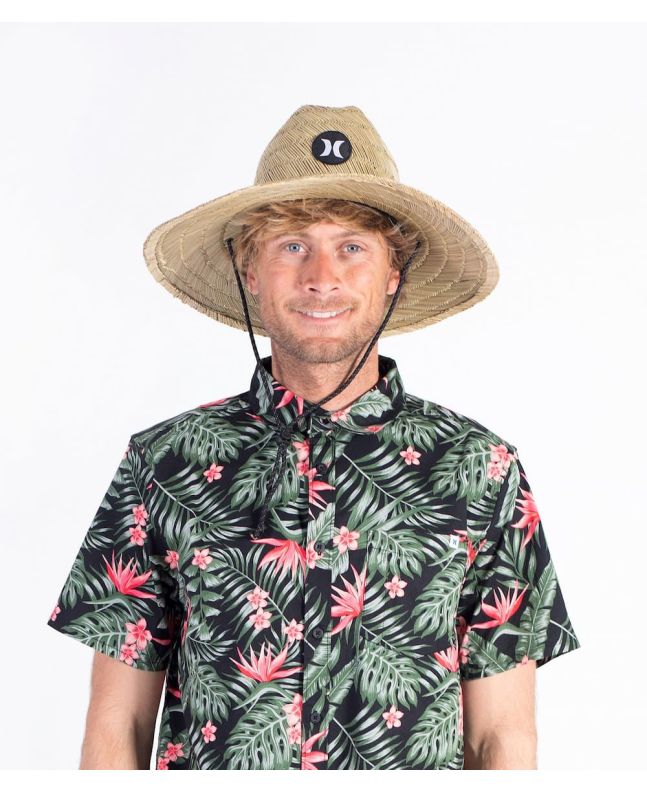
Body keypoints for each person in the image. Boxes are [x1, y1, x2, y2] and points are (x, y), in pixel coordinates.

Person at [46, 104, 581, 770]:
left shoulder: (480, 469)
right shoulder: (163, 463)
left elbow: (500, 737)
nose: (321, 276)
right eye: (292, 245)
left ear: (393, 274)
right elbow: (117, 725)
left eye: (352, 247)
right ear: (250, 272)